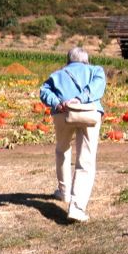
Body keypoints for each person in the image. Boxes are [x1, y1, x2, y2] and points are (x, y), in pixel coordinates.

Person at [39, 47, 106, 222]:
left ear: (68, 61)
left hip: (63, 113)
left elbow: (44, 91)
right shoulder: (95, 70)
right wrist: (81, 98)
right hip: (89, 114)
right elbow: (98, 87)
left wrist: (58, 103)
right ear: (86, 60)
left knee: (62, 149)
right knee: (86, 160)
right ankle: (77, 208)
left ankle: (64, 192)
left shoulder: (57, 74)